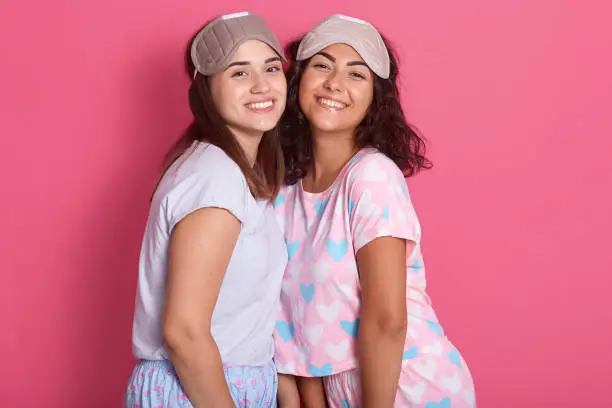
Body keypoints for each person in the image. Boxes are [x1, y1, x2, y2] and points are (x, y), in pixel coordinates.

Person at [274, 14, 476, 408]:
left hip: (406, 388)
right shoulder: (284, 191)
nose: (335, 83)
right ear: (298, 79)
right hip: (340, 395)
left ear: (374, 100)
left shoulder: (371, 178)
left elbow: (387, 320)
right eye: (322, 65)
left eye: (356, 74)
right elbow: (296, 326)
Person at [124, 11, 288, 408]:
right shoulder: (215, 177)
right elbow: (184, 331)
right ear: (205, 90)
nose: (261, 85)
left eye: (270, 67)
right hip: (197, 391)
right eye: (239, 73)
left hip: (219, 384)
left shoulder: (236, 173)